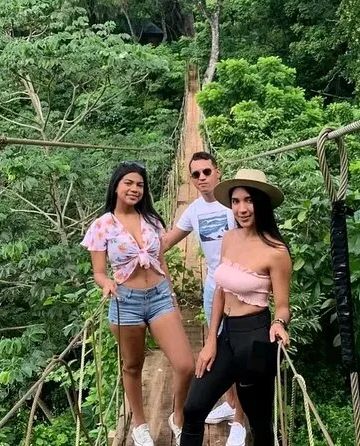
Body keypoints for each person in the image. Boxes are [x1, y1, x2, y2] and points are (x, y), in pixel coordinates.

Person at [81, 161, 194, 446]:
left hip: (159, 297)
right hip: (126, 301)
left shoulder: (152, 220)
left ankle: (177, 417)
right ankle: (140, 425)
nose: (135, 189)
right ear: (116, 186)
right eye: (128, 183)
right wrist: (106, 283)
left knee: (185, 365)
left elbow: (160, 261)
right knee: (132, 365)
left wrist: (172, 296)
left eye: (140, 185)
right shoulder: (102, 225)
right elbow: (98, 272)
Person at [180, 169, 292, 446]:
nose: (242, 209)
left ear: (261, 203)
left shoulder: (276, 251)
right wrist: (211, 341)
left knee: (259, 422)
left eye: (249, 200)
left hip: (257, 338)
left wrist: (279, 324)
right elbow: (222, 289)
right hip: (227, 335)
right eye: (236, 201)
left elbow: (282, 306)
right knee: (193, 408)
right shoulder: (230, 238)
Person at [162, 152, 248, 446]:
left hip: (240, 286)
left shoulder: (233, 203)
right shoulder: (193, 210)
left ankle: (240, 422)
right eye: (195, 174)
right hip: (213, 288)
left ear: (217, 171)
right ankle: (231, 404)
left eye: (206, 172)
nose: (201, 178)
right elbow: (166, 241)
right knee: (222, 349)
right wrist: (130, 245)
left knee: (239, 351)